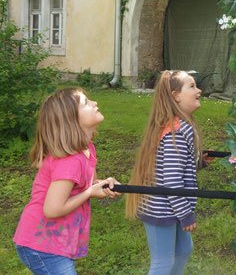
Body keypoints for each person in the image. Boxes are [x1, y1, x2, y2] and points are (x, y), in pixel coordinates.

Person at [13, 88, 120, 275]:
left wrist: (103, 184)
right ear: (71, 119)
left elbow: (87, 184)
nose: (95, 103)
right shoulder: (69, 160)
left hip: (54, 243)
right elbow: (52, 209)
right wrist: (89, 192)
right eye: (86, 103)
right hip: (42, 245)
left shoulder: (87, 149)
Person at [126, 70, 213, 275]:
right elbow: (172, 181)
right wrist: (186, 214)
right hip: (161, 208)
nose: (198, 90)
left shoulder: (179, 126)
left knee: (184, 250)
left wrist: (198, 164)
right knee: (163, 262)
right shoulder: (177, 132)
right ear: (176, 96)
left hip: (169, 205)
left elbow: (172, 167)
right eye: (192, 86)